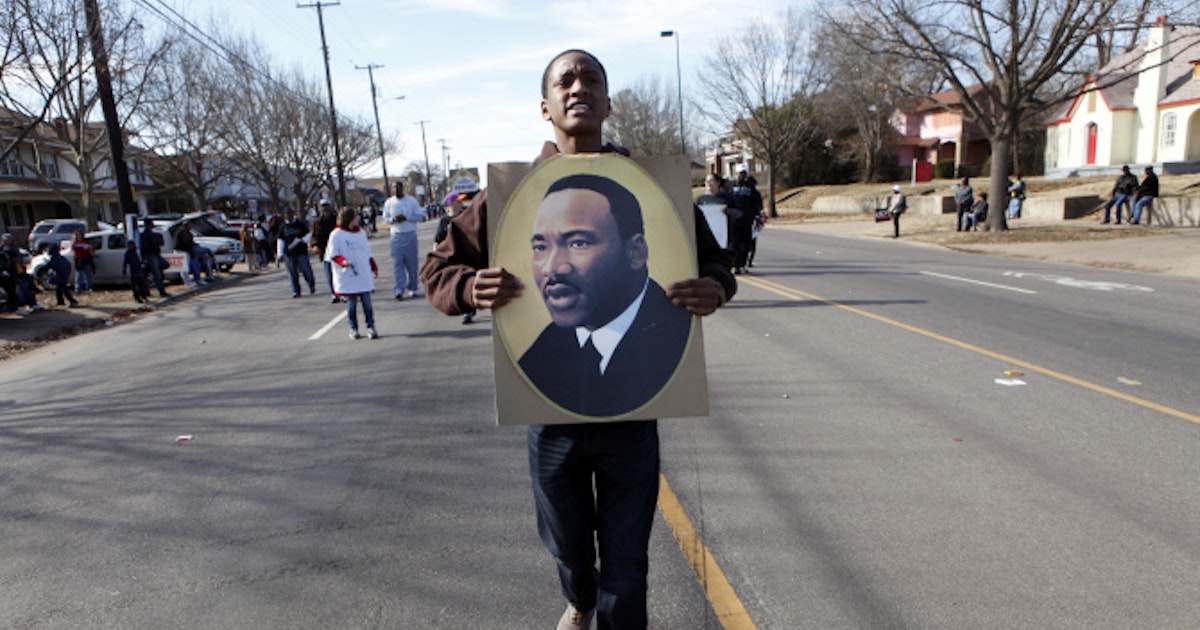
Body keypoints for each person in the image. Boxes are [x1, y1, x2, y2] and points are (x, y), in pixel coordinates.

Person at [420, 49, 735, 630]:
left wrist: (712, 286)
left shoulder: (647, 186)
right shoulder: (511, 193)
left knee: (627, 562)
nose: (577, 87)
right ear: (545, 107)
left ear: (608, 102)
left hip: (633, 412)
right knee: (567, 544)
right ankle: (579, 597)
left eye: (591, 78)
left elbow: (718, 265)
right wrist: (470, 287)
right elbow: (437, 271)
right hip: (549, 412)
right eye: (564, 80)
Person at [518, 173, 693, 417]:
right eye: (540, 248)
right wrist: (470, 288)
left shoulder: (679, 339)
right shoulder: (538, 357)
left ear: (635, 252)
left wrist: (718, 285)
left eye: (578, 244)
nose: (551, 268)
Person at [325, 207, 379, 339]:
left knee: (367, 302)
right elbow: (333, 253)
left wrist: (373, 266)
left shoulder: (360, 232)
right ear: (349, 218)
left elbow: (367, 251)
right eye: (356, 216)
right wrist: (343, 261)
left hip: (363, 272)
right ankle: (353, 328)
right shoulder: (337, 234)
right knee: (352, 303)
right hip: (349, 273)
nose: (358, 218)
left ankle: (370, 326)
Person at [435, 192, 476, 324]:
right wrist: (436, 255)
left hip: (466, 254)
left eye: (461, 201)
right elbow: (438, 239)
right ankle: (464, 308)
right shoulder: (445, 221)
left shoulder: (466, 216)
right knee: (457, 282)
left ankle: (469, 310)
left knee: (468, 280)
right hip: (451, 256)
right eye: (458, 201)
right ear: (450, 204)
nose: (461, 203)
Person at [382, 181, 426, 300]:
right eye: (394, 188)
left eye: (398, 188)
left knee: (411, 264)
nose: (396, 190)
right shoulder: (389, 202)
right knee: (398, 264)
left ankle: (412, 287)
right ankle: (399, 289)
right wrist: (394, 219)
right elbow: (385, 219)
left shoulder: (411, 201)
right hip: (396, 236)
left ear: (403, 188)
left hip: (410, 234)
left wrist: (407, 218)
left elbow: (421, 216)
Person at [730, 166, 762, 274]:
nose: (741, 176)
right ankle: (735, 265)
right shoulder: (730, 186)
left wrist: (757, 217)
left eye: (743, 174)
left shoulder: (750, 187)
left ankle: (742, 264)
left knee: (746, 243)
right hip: (734, 220)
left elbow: (755, 203)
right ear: (736, 173)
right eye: (739, 173)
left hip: (747, 219)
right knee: (734, 243)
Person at [277, 208, 316, 297]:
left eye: (290, 214)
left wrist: (304, 240)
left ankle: (311, 285)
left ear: (293, 214)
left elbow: (309, 234)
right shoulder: (283, 227)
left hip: (301, 252)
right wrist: (280, 254)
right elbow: (280, 240)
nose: (288, 216)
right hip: (289, 254)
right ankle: (296, 291)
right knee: (292, 272)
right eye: (286, 215)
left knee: (306, 270)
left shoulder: (300, 224)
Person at [312, 199, 340, 302]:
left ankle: (341, 292)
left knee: (338, 272)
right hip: (325, 251)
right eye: (323, 206)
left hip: (338, 249)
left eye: (327, 205)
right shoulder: (318, 221)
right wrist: (315, 245)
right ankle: (333, 293)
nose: (325, 208)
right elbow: (314, 235)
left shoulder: (336, 218)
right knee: (329, 273)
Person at [139, 218, 169, 298]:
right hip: (150, 255)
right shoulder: (145, 235)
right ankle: (161, 291)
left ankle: (149, 272)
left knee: (165, 265)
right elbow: (144, 247)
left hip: (156, 255)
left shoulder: (152, 234)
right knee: (157, 275)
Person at [46, 243, 79, 308]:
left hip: (60, 275)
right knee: (59, 288)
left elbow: (50, 265)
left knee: (64, 289)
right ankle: (60, 301)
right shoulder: (61, 257)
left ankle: (73, 301)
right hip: (64, 274)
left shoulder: (54, 258)